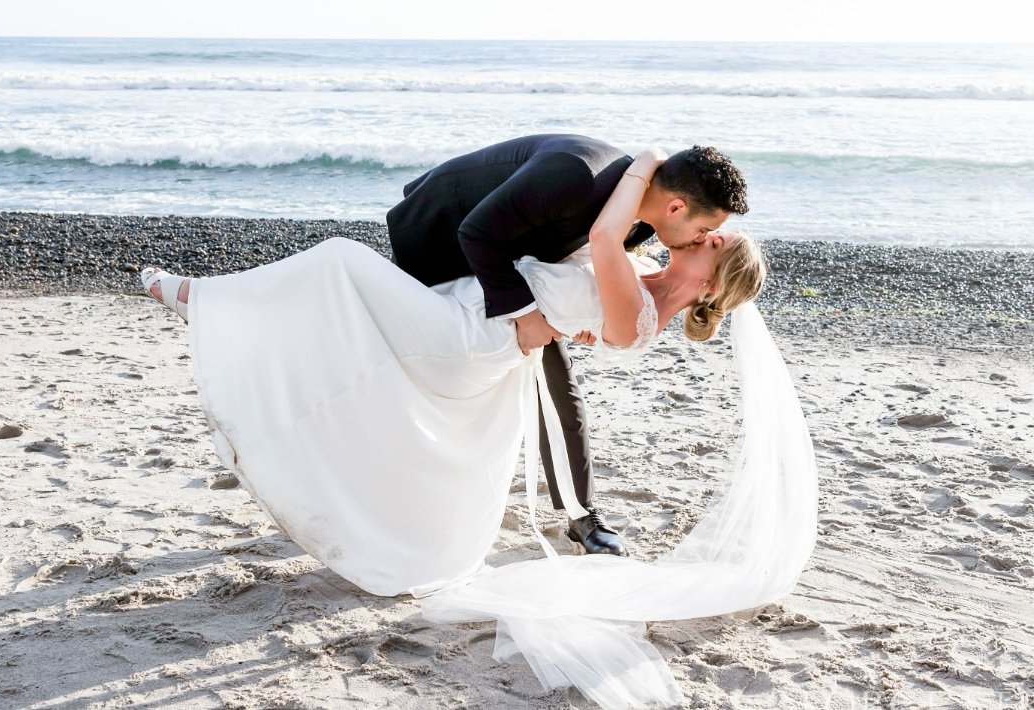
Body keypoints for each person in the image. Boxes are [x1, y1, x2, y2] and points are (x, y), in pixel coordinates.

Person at [141, 147, 816, 708]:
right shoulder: (644, 265)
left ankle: (206, 302)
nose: (702, 237)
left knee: (340, 265)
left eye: (711, 243)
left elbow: (604, 236)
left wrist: (645, 162)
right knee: (350, 329)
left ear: (708, 284)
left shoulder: (637, 306)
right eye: (707, 228)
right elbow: (594, 243)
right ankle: (234, 330)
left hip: (474, 337)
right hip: (479, 314)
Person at [384, 135, 750, 556]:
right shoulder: (578, 179)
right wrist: (529, 315)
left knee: (556, 385)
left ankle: (581, 513)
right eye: (704, 230)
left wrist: (578, 313)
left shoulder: (640, 218)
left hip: (506, 266)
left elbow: (575, 261)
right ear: (676, 207)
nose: (698, 240)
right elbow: (480, 232)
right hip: (438, 239)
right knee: (423, 377)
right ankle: (577, 512)